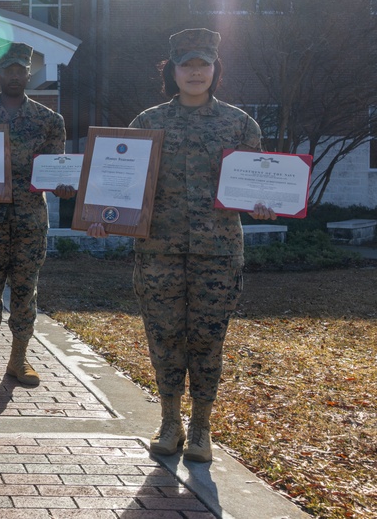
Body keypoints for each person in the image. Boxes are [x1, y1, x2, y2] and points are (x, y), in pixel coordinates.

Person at [87, 28, 276, 462]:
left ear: (215, 69)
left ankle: (201, 427)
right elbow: (121, 184)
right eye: (186, 64)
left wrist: (264, 204)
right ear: (171, 70)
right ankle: (170, 420)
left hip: (219, 253)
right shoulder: (148, 123)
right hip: (158, 252)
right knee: (164, 336)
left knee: (208, 339)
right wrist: (102, 217)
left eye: (203, 64)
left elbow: (254, 184)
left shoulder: (240, 124)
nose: (195, 72)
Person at [0, 42, 75, 386]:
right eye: (7, 69)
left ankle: (19, 358)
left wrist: (63, 187)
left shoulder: (49, 120)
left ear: (28, 73)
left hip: (30, 221)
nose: (13, 75)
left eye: (19, 70)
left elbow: (57, 169)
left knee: (26, 291)